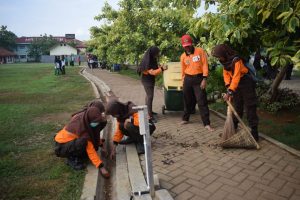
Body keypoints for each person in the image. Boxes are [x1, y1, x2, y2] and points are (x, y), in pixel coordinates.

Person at [212, 44, 259, 141]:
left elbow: (237, 76)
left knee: (250, 106)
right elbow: (226, 75)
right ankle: (232, 129)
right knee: (237, 106)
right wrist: (228, 87)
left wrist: (230, 91)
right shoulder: (224, 61)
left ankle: (254, 133)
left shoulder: (236, 60)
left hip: (246, 82)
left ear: (224, 53)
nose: (219, 59)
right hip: (235, 84)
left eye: (219, 56)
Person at [54, 100, 110, 177]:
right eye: (96, 122)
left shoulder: (85, 119)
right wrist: (101, 167)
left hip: (67, 141)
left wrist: (101, 145)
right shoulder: (82, 130)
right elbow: (90, 149)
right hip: (61, 147)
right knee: (84, 143)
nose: (96, 124)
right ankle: (71, 158)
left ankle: (75, 154)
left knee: (85, 144)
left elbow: (94, 134)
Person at [180, 34, 213, 131]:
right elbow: (183, 70)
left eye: (188, 46)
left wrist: (204, 78)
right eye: (185, 47)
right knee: (187, 100)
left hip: (199, 79)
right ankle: (185, 119)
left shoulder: (200, 51)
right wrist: (183, 80)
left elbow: (205, 65)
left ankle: (206, 123)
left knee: (201, 101)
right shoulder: (182, 56)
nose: (187, 48)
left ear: (192, 44)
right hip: (187, 79)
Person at [137, 46, 168, 123]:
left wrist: (160, 67)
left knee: (148, 96)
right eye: (157, 53)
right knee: (150, 96)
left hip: (150, 80)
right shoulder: (146, 61)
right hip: (146, 81)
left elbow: (155, 69)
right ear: (152, 53)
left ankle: (148, 111)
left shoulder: (152, 59)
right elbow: (153, 72)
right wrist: (162, 69)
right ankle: (149, 116)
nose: (157, 55)